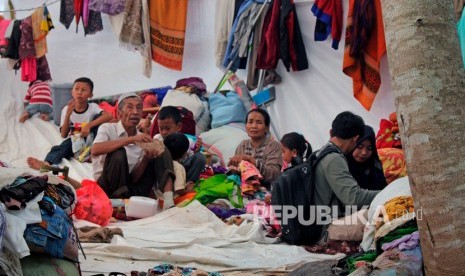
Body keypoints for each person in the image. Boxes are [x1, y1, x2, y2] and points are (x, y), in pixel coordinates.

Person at [91, 93, 176, 209]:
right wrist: (130, 139)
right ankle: (119, 204)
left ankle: (168, 200)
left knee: (160, 148)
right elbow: (95, 150)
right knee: (118, 153)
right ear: (119, 113)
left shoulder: (142, 138)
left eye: (139, 108)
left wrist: (146, 159)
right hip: (107, 189)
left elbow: (134, 178)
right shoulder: (107, 128)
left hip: (129, 189)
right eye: (130, 107)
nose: (135, 112)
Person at [313, 111, 380, 240]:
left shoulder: (320, 152)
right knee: (380, 214)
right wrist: (388, 193)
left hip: (318, 221)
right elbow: (354, 198)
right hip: (326, 227)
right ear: (355, 138)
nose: (363, 152)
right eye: (359, 145)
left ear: (331, 132)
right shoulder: (334, 158)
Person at [27, 77, 113, 169]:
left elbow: (109, 116)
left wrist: (89, 125)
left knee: (99, 118)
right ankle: (47, 164)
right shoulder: (66, 109)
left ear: (91, 95)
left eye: (84, 90)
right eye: (76, 89)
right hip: (76, 140)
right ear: (72, 92)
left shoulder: (93, 107)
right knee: (61, 147)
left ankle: (93, 154)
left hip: (92, 138)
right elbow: (64, 134)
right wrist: (68, 114)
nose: (79, 92)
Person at [228, 108, 283, 188]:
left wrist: (251, 160)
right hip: (244, 190)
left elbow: (273, 174)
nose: (253, 126)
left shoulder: (273, 146)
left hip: (267, 192)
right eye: (250, 122)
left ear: (267, 128)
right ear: (246, 126)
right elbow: (236, 171)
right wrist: (233, 166)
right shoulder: (243, 145)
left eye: (259, 122)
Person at [153, 106, 206, 185]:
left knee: (200, 157)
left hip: (183, 172)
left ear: (179, 127)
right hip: (165, 173)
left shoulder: (188, 142)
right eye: (161, 128)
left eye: (167, 128)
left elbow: (192, 161)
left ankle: (188, 184)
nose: (164, 132)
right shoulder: (157, 139)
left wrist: (196, 151)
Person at [346, 125, 387, 191]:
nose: (364, 152)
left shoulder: (375, 166)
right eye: (360, 146)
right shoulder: (341, 164)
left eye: (369, 148)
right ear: (352, 144)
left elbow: (383, 191)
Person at [163, 133, 196, 197]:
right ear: (185, 153)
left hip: (159, 197)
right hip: (172, 200)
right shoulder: (178, 167)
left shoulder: (161, 161)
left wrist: (185, 185)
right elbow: (179, 191)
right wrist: (190, 191)